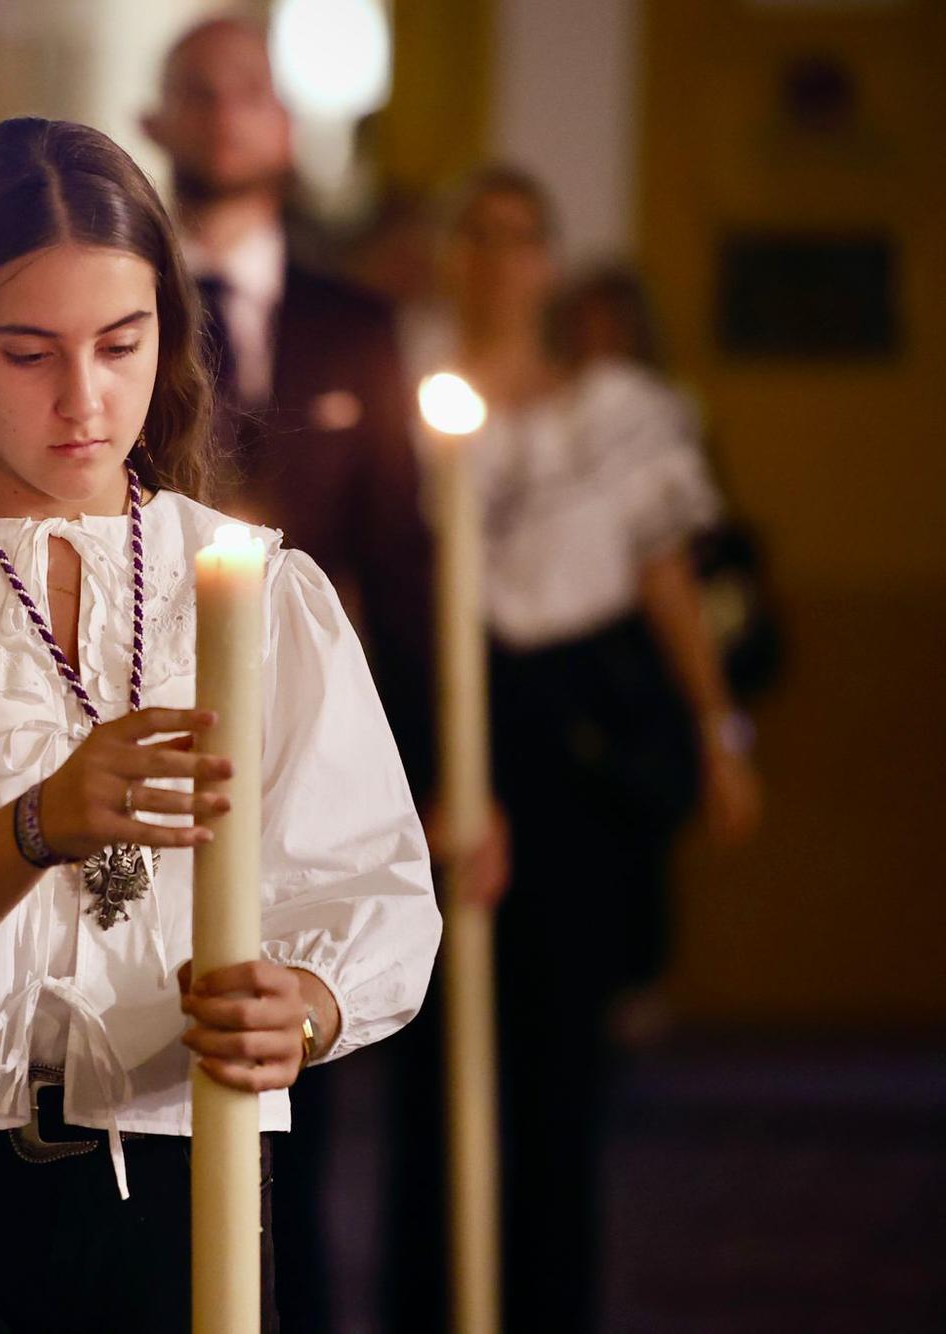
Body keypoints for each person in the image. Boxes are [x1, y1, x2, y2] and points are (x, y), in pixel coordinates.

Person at [0, 117, 441, 1331]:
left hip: (175, 1163)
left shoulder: (254, 589)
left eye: (121, 344)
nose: (81, 399)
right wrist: (30, 827)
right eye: (27, 352)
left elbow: (369, 882)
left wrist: (306, 1005)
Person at [384, 167, 762, 1334]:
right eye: (475, 236)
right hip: (435, 727)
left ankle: (546, 1304)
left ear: (547, 261)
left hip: (573, 752)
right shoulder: (403, 393)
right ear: (449, 258)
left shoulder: (621, 415)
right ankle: (432, 1302)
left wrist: (716, 734)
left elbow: (665, 578)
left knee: (559, 1078)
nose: (497, 260)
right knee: (428, 1053)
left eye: (519, 238)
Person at [144, 20, 481, 1329]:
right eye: (199, 94)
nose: (227, 117)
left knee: (299, 1086)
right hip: (147, 737)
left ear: (288, 127)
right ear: (159, 119)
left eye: (253, 95)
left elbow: (405, 567)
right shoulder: (117, 311)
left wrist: (449, 780)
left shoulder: (361, 324)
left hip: (315, 757)